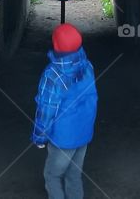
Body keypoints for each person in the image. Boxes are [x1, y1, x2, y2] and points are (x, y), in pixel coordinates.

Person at [31, 23, 98, 199]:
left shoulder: (52, 75)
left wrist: (39, 136)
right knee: (74, 175)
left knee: (52, 175)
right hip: (83, 134)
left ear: (56, 45)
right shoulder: (88, 67)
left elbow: (46, 109)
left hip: (63, 138)